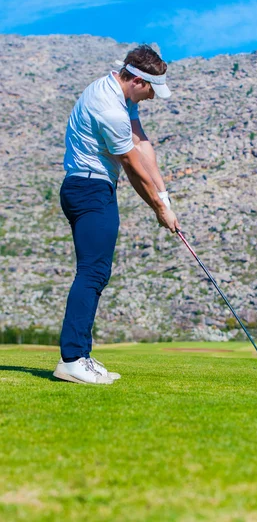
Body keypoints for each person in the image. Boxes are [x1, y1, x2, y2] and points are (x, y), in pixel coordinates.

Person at [53, 44, 180, 385]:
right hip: (90, 189)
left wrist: (165, 196)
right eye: (152, 88)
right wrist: (158, 209)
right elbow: (132, 165)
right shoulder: (109, 107)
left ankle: (81, 354)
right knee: (92, 274)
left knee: (96, 273)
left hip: (92, 187)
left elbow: (142, 143)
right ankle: (72, 359)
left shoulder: (118, 93)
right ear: (138, 80)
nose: (153, 96)